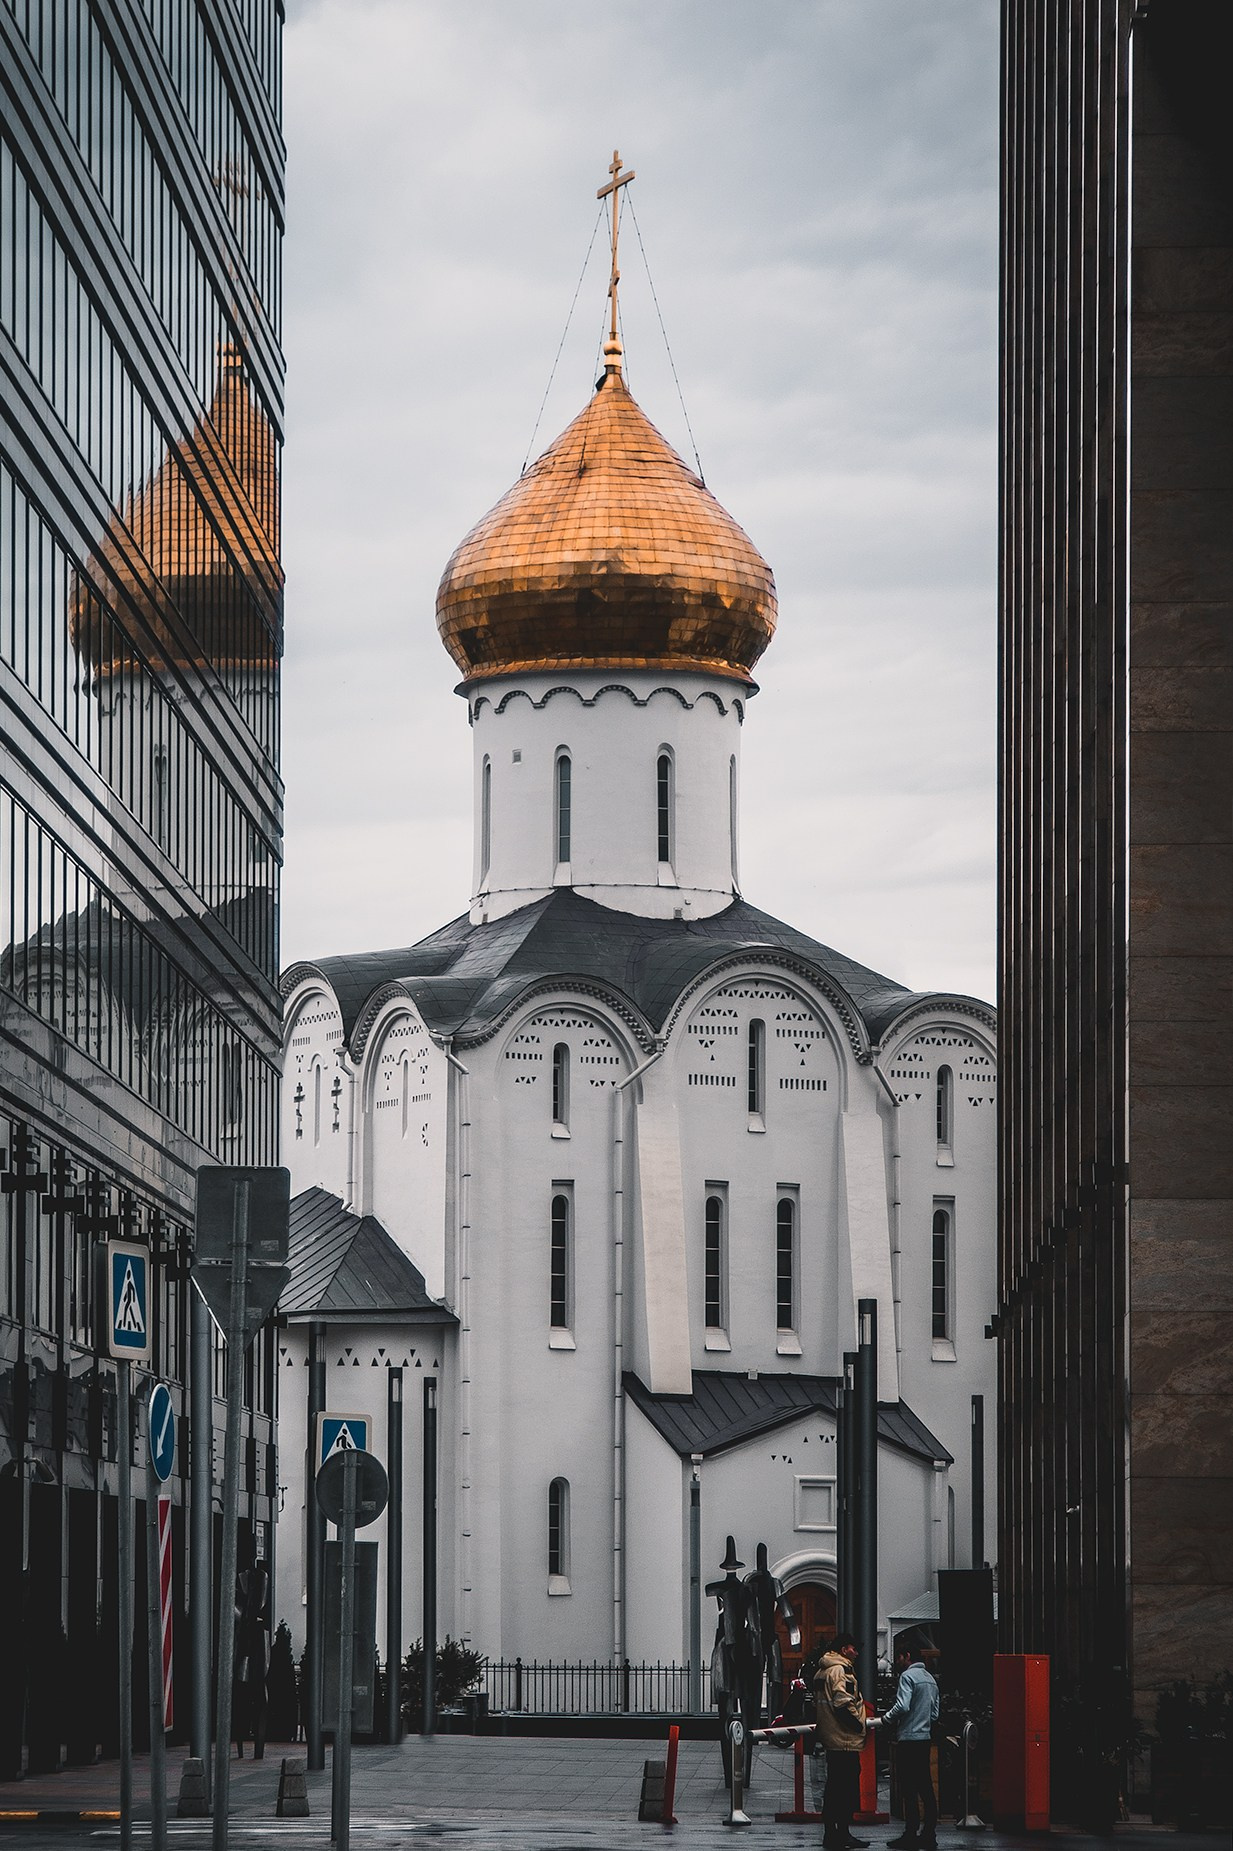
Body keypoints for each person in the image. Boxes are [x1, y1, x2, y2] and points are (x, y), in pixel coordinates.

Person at [871, 1634, 940, 1849]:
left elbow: (902, 1706)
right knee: (926, 1788)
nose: (897, 1662)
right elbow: (935, 1713)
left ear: (907, 1656)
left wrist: (886, 1719)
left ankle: (910, 1833)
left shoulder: (908, 1677)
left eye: (899, 1658)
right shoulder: (930, 1679)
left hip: (908, 1738)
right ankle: (929, 1833)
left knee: (909, 1790)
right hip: (924, 1738)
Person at [813, 1632, 870, 1850]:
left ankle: (830, 1834)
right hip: (845, 1738)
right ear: (845, 1649)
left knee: (833, 1788)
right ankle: (843, 1833)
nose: (857, 1653)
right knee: (845, 1789)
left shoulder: (823, 1670)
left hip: (831, 1736)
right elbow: (842, 1703)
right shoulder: (841, 1670)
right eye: (854, 1649)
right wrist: (858, 1725)